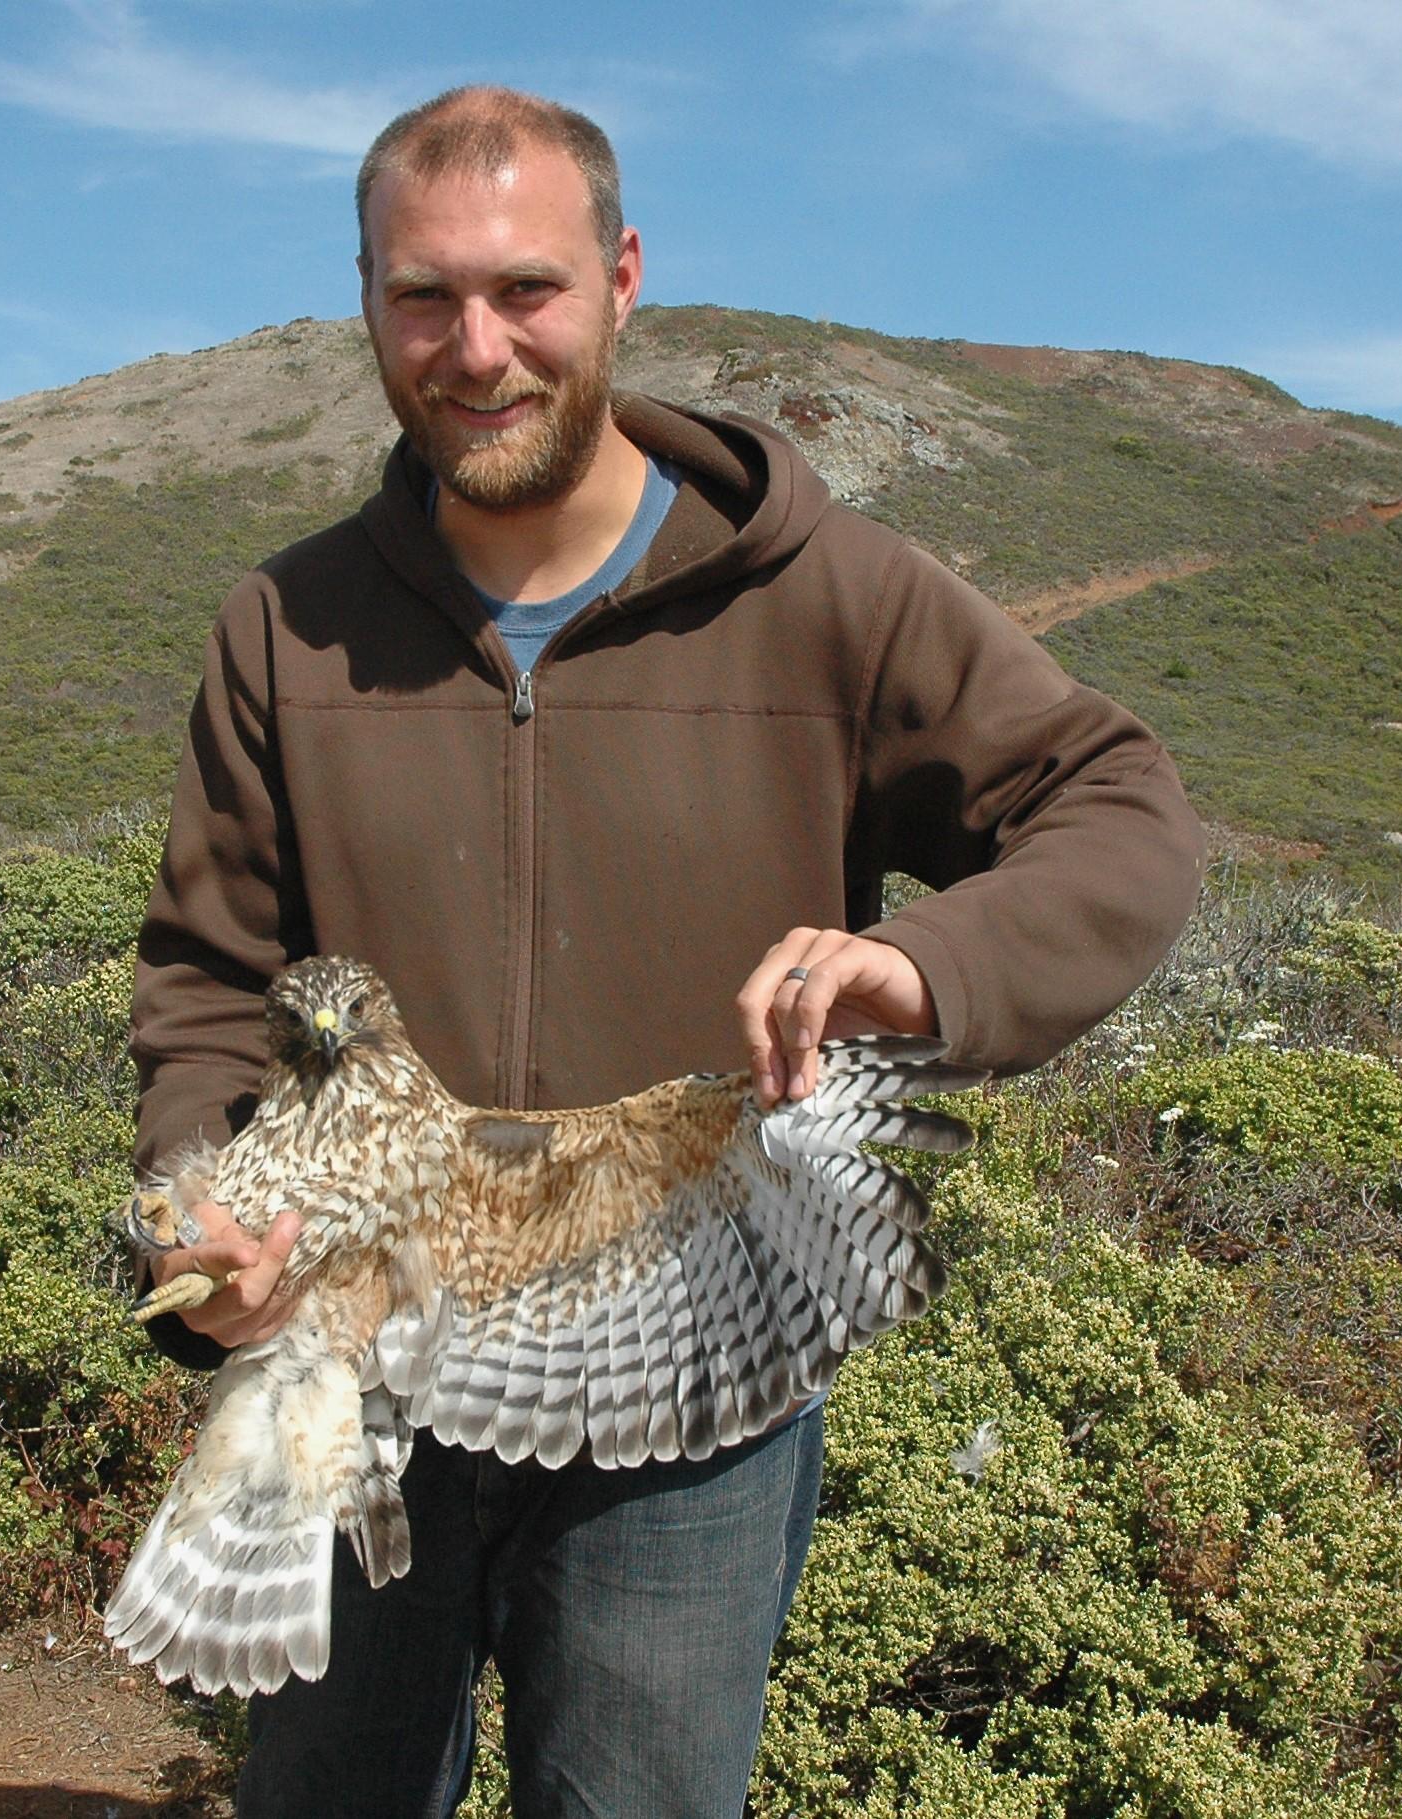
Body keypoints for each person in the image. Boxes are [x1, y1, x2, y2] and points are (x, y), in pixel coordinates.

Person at [127, 84, 1203, 1818]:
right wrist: (200, 1214)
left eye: (527, 291)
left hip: (690, 1378)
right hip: (358, 1354)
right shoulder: (287, 623)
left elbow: (1120, 804)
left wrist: (928, 967)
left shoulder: (822, 594)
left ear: (622, 280)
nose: (476, 349)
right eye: (423, 298)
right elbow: (206, 979)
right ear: (366, 301)